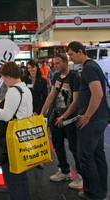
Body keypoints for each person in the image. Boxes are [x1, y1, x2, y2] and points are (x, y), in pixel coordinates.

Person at [0, 62, 33, 200]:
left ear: (9, 76)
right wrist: (0, 103)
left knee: (12, 179)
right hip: (21, 137)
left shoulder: (13, 90)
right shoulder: (24, 89)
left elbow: (6, 116)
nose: (3, 81)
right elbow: (18, 110)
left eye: (4, 77)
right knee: (21, 176)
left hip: (10, 139)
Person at [67, 41, 108, 200]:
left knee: (85, 156)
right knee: (98, 156)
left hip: (92, 120)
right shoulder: (93, 66)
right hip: (99, 119)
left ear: (80, 51)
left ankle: (93, 194)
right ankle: (100, 192)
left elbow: (97, 94)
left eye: (71, 54)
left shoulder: (89, 68)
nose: (70, 58)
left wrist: (87, 115)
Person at [41, 53, 82, 189]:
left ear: (65, 62)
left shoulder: (75, 78)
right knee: (58, 145)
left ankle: (81, 176)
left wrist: (64, 118)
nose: (55, 66)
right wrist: (43, 111)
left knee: (74, 148)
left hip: (69, 118)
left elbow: (75, 101)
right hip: (56, 116)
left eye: (57, 63)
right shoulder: (56, 76)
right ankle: (64, 171)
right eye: (54, 64)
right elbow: (51, 94)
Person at [21, 60, 48, 170]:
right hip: (25, 110)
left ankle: (38, 160)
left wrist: (37, 110)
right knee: (25, 135)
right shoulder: (23, 79)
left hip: (37, 110)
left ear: (37, 67)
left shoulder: (43, 81)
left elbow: (45, 97)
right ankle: (26, 158)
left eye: (32, 67)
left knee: (37, 136)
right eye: (29, 68)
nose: (31, 70)